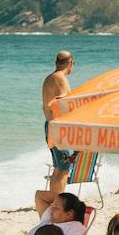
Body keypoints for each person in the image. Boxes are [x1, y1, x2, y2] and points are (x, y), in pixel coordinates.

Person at [42, 50, 75, 196]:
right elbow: (63, 103)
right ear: (70, 63)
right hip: (58, 128)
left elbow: (46, 106)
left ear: (56, 63)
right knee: (64, 168)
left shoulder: (49, 78)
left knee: (57, 167)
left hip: (50, 126)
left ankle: (53, 201)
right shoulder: (60, 78)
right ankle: (58, 201)